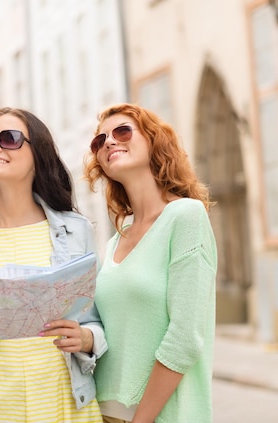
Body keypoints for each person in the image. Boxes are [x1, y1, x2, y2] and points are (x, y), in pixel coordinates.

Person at [0, 107, 107, 422]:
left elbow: (95, 321)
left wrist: (86, 339)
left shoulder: (76, 230)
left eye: (10, 138)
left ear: (38, 154)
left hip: (65, 404)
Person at [84, 103, 218, 423]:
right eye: (100, 141)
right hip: (101, 414)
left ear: (154, 141)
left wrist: (141, 419)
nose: (109, 142)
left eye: (122, 131)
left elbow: (186, 338)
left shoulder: (185, 216)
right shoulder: (116, 240)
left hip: (162, 416)